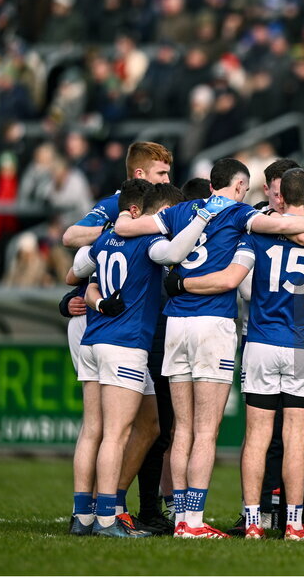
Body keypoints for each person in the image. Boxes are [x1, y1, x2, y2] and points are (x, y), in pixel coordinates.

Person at [113, 158, 304, 538]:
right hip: (245, 332)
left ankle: (229, 521)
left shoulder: (183, 211)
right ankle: (275, 523)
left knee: (188, 429)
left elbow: (126, 227)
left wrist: (181, 283)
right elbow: (275, 237)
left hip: (188, 326)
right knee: (256, 436)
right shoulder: (245, 218)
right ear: (239, 187)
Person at [64, 179, 192, 537]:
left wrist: (98, 300)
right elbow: (174, 254)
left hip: (93, 339)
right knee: (116, 435)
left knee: (96, 429)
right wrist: (200, 220)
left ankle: (82, 516)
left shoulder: (104, 239)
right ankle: (107, 518)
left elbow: (76, 275)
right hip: (125, 344)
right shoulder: (152, 241)